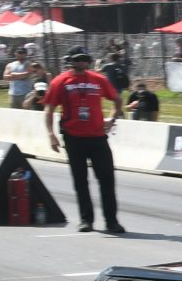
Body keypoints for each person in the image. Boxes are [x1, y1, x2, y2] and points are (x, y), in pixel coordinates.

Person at [44, 48, 124, 234]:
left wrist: (112, 119)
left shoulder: (99, 79)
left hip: (98, 137)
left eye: (85, 60)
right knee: (80, 181)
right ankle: (86, 220)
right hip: (73, 138)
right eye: (78, 60)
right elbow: (49, 109)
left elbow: (117, 99)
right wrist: (51, 134)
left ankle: (111, 221)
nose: (82, 63)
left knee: (107, 180)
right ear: (70, 61)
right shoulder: (60, 81)